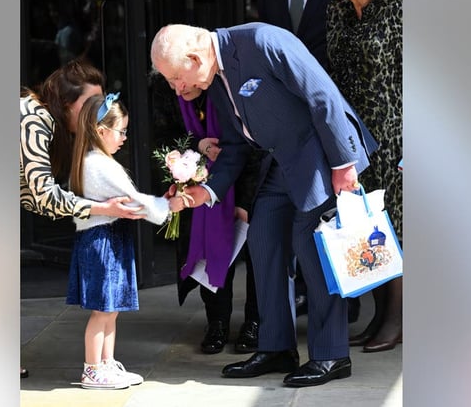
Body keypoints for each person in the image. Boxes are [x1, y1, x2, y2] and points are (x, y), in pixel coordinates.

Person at [150, 23, 379, 387]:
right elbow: (235, 145)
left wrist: (344, 166)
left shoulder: (262, 41)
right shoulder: (215, 77)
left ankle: (332, 354)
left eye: (177, 77)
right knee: (263, 240)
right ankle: (276, 348)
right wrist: (205, 193)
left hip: (319, 154)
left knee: (313, 248)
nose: (178, 88)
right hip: (281, 161)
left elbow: (323, 95)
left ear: (195, 58)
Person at [256, 0, 360, 323]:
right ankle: (305, 295)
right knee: (299, 206)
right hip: (286, 111)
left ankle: (349, 299)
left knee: (335, 208)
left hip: (330, 102)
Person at [20, 60, 144, 379]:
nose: (98, 110)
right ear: (66, 103)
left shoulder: (48, 124)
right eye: (91, 103)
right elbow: (44, 195)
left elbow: (34, 197)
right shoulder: (35, 119)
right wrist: (103, 208)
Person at [65, 93, 185, 389]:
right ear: (101, 130)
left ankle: (106, 363)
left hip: (109, 237)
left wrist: (161, 203)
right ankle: (92, 369)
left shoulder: (97, 160)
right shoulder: (97, 164)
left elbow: (133, 201)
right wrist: (169, 205)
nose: (124, 138)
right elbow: (133, 201)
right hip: (102, 240)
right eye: (121, 131)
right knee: (102, 310)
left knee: (111, 308)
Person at [325, 0, 403, 353]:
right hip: (355, 140)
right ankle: (380, 318)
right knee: (367, 226)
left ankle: (395, 321)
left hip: (396, 137)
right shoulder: (336, 13)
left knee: (396, 229)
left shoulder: (398, 9)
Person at [175, 93, 261, 355]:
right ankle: (217, 322)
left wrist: (245, 200)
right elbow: (164, 135)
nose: (177, 86)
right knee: (211, 252)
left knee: (258, 258)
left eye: (179, 78)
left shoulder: (228, 84)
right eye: (171, 80)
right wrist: (199, 145)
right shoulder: (168, 92)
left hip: (249, 184)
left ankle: (255, 322)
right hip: (201, 191)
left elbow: (257, 146)